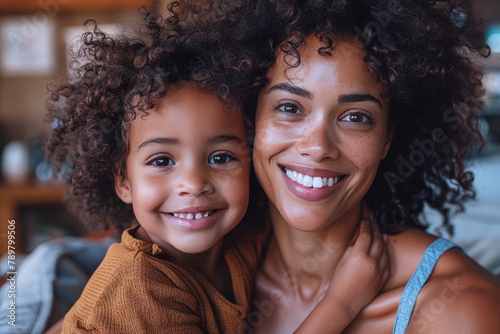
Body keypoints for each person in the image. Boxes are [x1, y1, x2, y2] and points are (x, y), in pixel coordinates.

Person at [44, 3, 389, 333]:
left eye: (221, 157)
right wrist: (341, 304)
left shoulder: (241, 238)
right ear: (122, 180)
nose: (194, 184)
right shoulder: (139, 290)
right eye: (162, 161)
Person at [240, 0, 500, 333]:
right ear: (252, 120)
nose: (318, 147)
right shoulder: (201, 275)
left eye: (356, 117)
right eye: (290, 107)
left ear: (388, 137)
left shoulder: (460, 309)